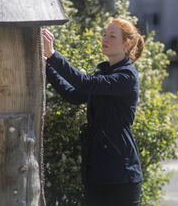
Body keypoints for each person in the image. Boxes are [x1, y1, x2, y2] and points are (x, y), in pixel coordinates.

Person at [42, 19, 145, 206]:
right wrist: (47, 66)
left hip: (121, 173)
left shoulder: (127, 76)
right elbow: (73, 95)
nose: (105, 39)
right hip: (96, 170)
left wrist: (53, 55)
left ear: (127, 44)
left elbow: (84, 83)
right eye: (105, 34)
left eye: (112, 36)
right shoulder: (103, 73)